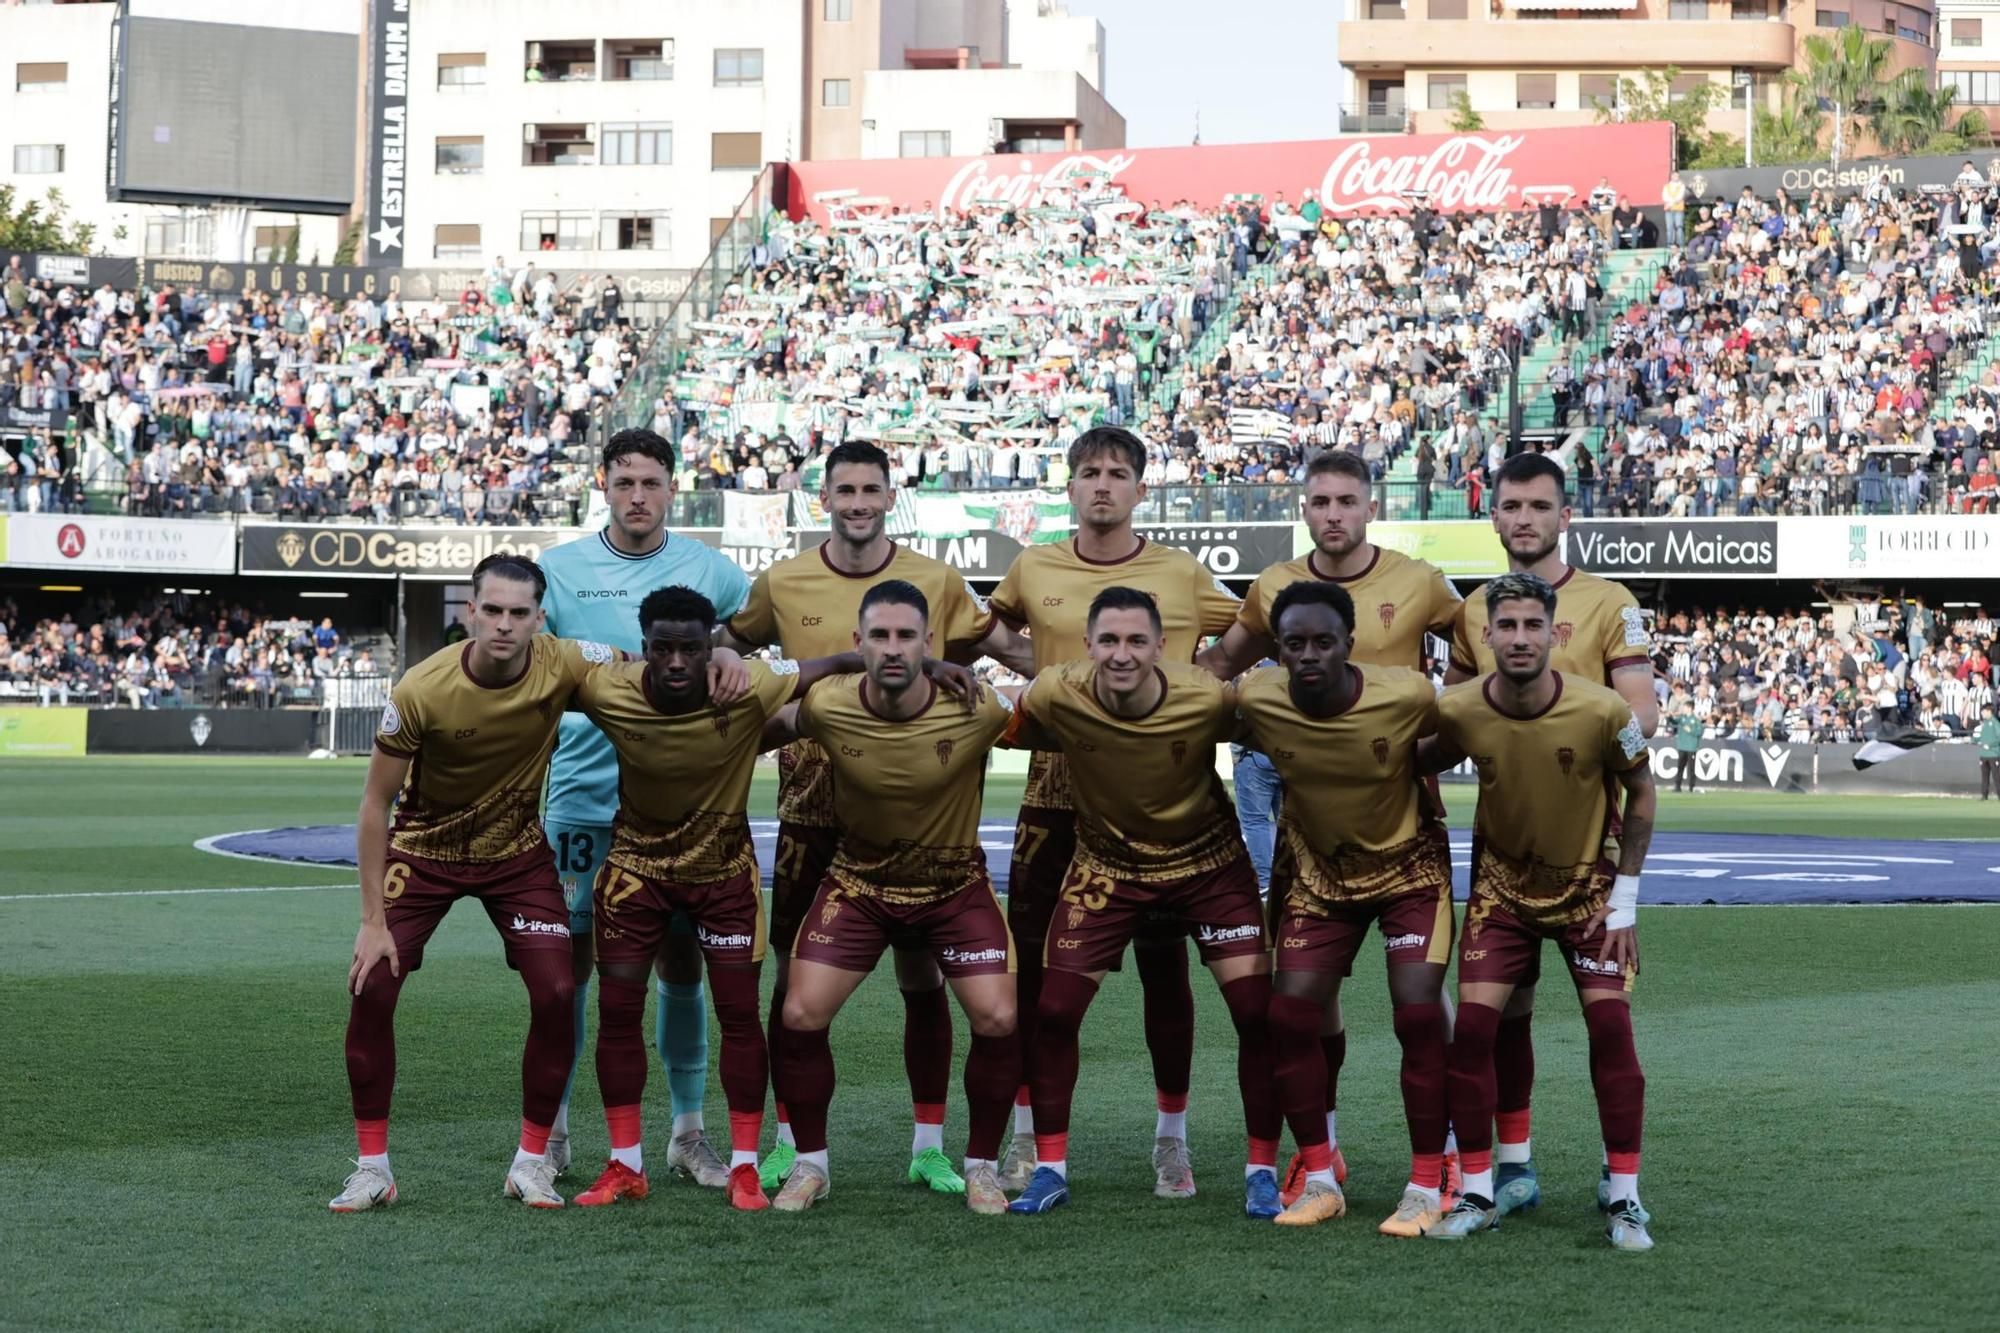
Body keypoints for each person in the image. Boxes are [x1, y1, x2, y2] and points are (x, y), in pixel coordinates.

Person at [563, 584, 969, 1212]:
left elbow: (831, 664)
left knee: (741, 1019)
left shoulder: (749, 680)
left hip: (723, 875)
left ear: (711, 649)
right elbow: (537, 672)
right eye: (661, 649)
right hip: (634, 874)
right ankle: (624, 1164)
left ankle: (746, 1169)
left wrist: (933, 665)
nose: (676, 662)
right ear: (642, 650)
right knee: (617, 1017)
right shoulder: (605, 687)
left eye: (692, 650)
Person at [718, 440, 1033, 1195]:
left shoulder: (937, 579)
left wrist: (1089, 666)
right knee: (795, 986)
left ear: (892, 497)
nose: (858, 501)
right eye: (844, 489)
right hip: (810, 809)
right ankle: (796, 1148)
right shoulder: (783, 579)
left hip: (925, 814)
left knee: (923, 978)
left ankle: (931, 1145)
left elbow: (1005, 649)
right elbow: (731, 650)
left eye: (871, 489)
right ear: (822, 498)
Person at [1201, 448, 1462, 1207]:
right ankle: (1326, 1153)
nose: (1334, 513)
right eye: (1320, 501)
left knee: (1422, 999)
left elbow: (1479, 658)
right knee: (1309, 1001)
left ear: (1370, 506)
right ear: (1304, 509)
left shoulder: (1417, 581)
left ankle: (1446, 1154)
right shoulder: (1275, 588)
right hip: (1307, 820)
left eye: (1348, 500)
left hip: (1402, 809)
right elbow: (1223, 664)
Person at [986, 426, 1241, 1198]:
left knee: (1166, 973)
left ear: (1140, 489)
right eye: (1090, 472)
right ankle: (1029, 1135)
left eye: (1118, 473)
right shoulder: (1034, 565)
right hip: (1053, 795)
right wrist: (1041, 668)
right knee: (1036, 975)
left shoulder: (1180, 571)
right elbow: (983, 626)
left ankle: (1172, 1138)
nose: (1103, 484)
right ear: (1069, 487)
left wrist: (1198, 683)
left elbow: (1246, 633)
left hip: (1155, 798)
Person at [333, 555, 616, 1212]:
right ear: (470, 611)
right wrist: (372, 920)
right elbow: (375, 803)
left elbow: (638, 663)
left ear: (539, 619)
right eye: (492, 610)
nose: (505, 624)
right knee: (372, 983)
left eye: (520, 613)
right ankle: (372, 1167)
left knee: (556, 988)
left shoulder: (566, 659)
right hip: (424, 851)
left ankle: (531, 1160)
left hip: (516, 853)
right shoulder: (421, 688)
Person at [1003, 587, 1279, 1218]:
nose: (1122, 654)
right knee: (1053, 1011)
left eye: (1136, 641)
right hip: (1108, 867)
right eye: (1109, 641)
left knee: (1255, 1014)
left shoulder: (1207, 697)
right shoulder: (1054, 690)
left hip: (1208, 865)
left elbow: (1285, 737)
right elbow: (1001, 724)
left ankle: (1257, 1168)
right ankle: (1049, 1167)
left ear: (1162, 647)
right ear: (1087, 646)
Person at [762, 580, 1022, 1215]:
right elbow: (759, 725)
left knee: (999, 1018)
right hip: (858, 883)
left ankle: (982, 1165)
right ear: (858, 644)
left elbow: (1054, 705)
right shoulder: (828, 703)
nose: (893, 647)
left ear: (929, 645)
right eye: (879, 635)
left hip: (953, 884)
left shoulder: (978, 707)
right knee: (798, 1014)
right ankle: (810, 1165)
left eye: (908, 636)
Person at [1444, 452, 1659, 1219]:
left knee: (1606, 1018)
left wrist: (1562, 706)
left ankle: (1617, 1173)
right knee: (1505, 1014)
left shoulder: (1609, 601)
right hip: (1503, 855)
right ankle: (1510, 1165)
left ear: (1565, 516)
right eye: (1511, 506)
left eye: (1540, 505)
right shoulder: (1473, 609)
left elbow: (1642, 718)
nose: (1525, 518)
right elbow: (1453, 712)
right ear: (1494, 516)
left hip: (1588, 857)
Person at [540, 427, 751, 1185]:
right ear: (604, 483)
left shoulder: (707, 566)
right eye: (624, 481)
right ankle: (556, 1127)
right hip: (582, 797)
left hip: (682, 810)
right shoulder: (558, 569)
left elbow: (755, 634)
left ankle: (687, 1132)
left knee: (681, 960)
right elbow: (534, 670)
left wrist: (729, 647)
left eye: (651, 483)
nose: (638, 496)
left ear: (671, 488)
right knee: (570, 968)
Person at [1237, 581, 1454, 1235]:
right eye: (1295, 643)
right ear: (1277, 649)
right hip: (1319, 879)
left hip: (1409, 871)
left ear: (1348, 645)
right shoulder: (1257, 696)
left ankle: (1428, 1180)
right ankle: (1322, 1175)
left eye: (1323, 642)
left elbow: (1465, 730)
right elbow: (1191, 707)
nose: (1309, 655)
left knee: (1418, 1010)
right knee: (1290, 1012)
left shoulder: (1407, 692)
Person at [1671, 703, 1702, 792]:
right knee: (1680, 767)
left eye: (1685, 708)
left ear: (1690, 708)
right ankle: (1677, 786)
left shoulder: (1696, 720)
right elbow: (1673, 721)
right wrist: (1669, 717)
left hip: (1691, 747)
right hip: (1682, 746)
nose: (1683, 709)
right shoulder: (1682, 718)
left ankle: (1691, 787)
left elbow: (1699, 732)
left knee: (1691, 768)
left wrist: (1691, 730)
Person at [1978, 705, 2000, 799]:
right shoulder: (1985, 723)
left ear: (1989, 711)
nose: (1982, 713)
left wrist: (1990, 745)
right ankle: (1984, 795)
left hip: (1993, 754)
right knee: (1984, 776)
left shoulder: (1995, 723)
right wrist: (1972, 739)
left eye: (1983, 711)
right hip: (1983, 754)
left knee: (1996, 776)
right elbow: (1982, 737)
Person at [1661, 171, 1687, 248]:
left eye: (1678, 176)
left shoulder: (1681, 186)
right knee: (1669, 228)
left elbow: (1680, 196)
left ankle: (1681, 246)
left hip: (1678, 209)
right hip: (1668, 210)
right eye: (1675, 176)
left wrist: (1671, 203)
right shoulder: (1667, 186)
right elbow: (1664, 197)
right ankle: (1670, 246)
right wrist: (1670, 203)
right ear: (1671, 177)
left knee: (1679, 227)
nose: (1677, 177)